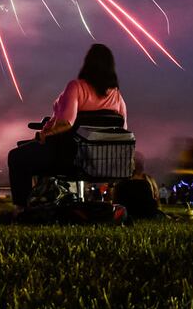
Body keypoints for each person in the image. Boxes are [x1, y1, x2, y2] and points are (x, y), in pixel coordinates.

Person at [7, 43, 128, 208]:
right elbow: (123, 131)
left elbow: (67, 122)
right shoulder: (117, 97)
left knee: (16, 156)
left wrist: (45, 134)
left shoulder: (77, 87)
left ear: (87, 64)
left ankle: (22, 208)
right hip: (100, 161)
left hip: (68, 157)